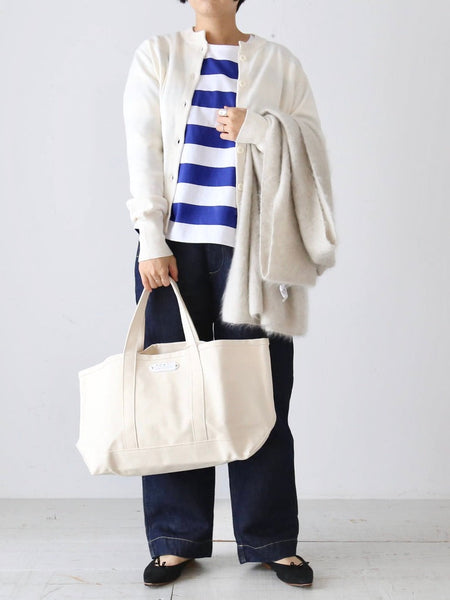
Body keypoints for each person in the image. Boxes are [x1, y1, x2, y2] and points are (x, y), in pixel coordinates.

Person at [123, 0, 327, 588]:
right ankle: (175, 539)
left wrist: (257, 127)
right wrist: (150, 238)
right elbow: (143, 150)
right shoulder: (158, 55)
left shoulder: (278, 63)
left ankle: (270, 540)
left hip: (254, 249)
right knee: (173, 394)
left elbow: (312, 147)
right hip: (173, 252)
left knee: (261, 392)